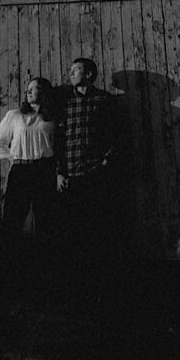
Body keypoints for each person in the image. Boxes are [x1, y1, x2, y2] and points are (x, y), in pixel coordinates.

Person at [55, 57, 120, 270]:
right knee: (72, 229)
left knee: (99, 228)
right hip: (70, 175)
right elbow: (58, 139)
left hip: (97, 174)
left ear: (89, 74)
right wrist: (59, 172)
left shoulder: (105, 100)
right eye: (71, 70)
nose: (71, 73)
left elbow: (117, 135)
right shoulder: (64, 103)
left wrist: (106, 162)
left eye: (76, 70)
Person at [0, 77, 60, 252]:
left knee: (46, 220)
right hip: (21, 170)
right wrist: (12, 157)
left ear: (44, 92)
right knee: (13, 219)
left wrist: (59, 171)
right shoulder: (14, 115)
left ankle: (44, 266)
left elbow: (59, 146)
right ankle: (11, 263)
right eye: (28, 89)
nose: (29, 91)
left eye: (34, 88)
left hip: (45, 169)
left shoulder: (52, 117)